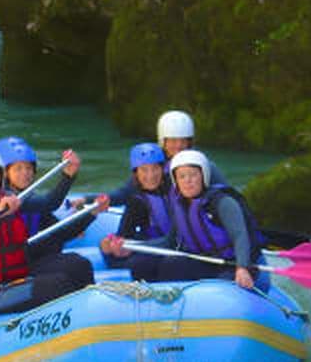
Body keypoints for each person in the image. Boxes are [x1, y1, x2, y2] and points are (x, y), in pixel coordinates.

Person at [0, 149, 105, 317]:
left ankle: (95, 318)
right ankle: (75, 327)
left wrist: (68, 176)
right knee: (59, 285)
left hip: (19, 273)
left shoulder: (9, 199)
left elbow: (49, 203)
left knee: (79, 264)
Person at [106, 150, 268, 291]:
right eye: (182, 176)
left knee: (221, 286)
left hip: (232, 264)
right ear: (175, 180)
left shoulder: (222, 202)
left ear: (203, 175)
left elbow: (240, 236)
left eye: (193, 175)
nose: (188, 181)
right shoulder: (181, 206)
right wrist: (133, 248)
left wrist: (242, 268)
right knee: (170, 264)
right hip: (204, 261)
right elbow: (170, 242)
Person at [74, 110, 228, 208]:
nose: (179, 145)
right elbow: (123, 194)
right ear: (163, 141)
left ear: (190, 141)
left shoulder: (206, 167)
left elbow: (226, 195)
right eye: (173, 141)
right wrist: (87, 200)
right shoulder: (154, 167)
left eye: (183, 140)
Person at [0, 136, 106, 261]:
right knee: (74, 263)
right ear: (5, 173)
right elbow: (51, 203)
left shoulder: (32, 199)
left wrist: (92, 213)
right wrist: (67, 177)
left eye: (29, 168)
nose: (25, 173)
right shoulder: (5, 198)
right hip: (12, 264)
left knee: (76, 261)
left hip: (32, 259)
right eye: (18, 168)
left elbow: (62, 233)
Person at [99, 143, 171, 280]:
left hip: (173, 243)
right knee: (106, 247)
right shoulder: (136, 197)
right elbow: (124, 234)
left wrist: (136, 247)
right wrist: (115, 247)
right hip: (151, 240)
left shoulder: (175, 192)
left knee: (140, 264)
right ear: (136, 173)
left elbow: (177, 237)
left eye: (155, 168)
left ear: (163, 169)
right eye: (144, 170)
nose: (150, 175)